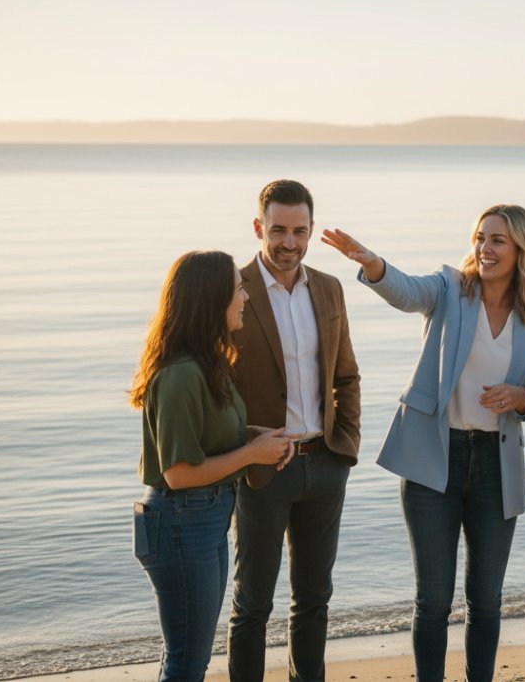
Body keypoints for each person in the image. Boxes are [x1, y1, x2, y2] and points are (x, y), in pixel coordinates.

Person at [321, 204, 525, 682]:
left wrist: (521, 397)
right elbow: (406, 292)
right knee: (432, 599)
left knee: (486, 600)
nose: (484, 249)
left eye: (497, 241)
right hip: (435, 456)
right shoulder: (450, 288)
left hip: (496, 464)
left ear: (521, 250)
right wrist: (372, 263)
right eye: (480, 238)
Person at [130, 250, 295, 682]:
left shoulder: (208, 364)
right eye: (238, 289)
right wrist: (251, 455)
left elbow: (217, 434)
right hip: (182, 520)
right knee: (188, 660)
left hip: (205, 517)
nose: (245, 297)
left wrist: (260, 437)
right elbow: (179, 473)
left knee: (188, 656)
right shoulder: (180, 374)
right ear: (211, 300)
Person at [227, 180, 362, 682]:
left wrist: (344, 446)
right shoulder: (233, 288)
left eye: (299, 231)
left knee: (314, 599)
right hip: (262, 470)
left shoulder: (329, 288)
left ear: (310, 230)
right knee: (253, 603)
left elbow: (346, 374)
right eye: (279, 230)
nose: (289, 242)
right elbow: (216, 389)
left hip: (324, 464)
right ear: (260, 227)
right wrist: (245, 445)